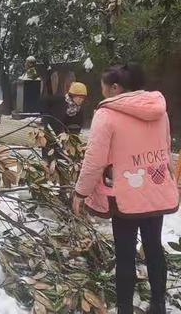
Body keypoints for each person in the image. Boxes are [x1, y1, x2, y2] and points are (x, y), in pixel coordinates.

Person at [72, 63, 179, 314]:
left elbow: (94, 160)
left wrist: (80, 192)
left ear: (115, 87)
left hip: (126, 196)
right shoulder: (159, 111)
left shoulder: (106, 114)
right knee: (154, 248)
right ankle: (159, 305)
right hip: (156, 191)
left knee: (125, 256)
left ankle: (124, 309)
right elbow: (164, 149)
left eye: (103, 86)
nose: (102, 91)